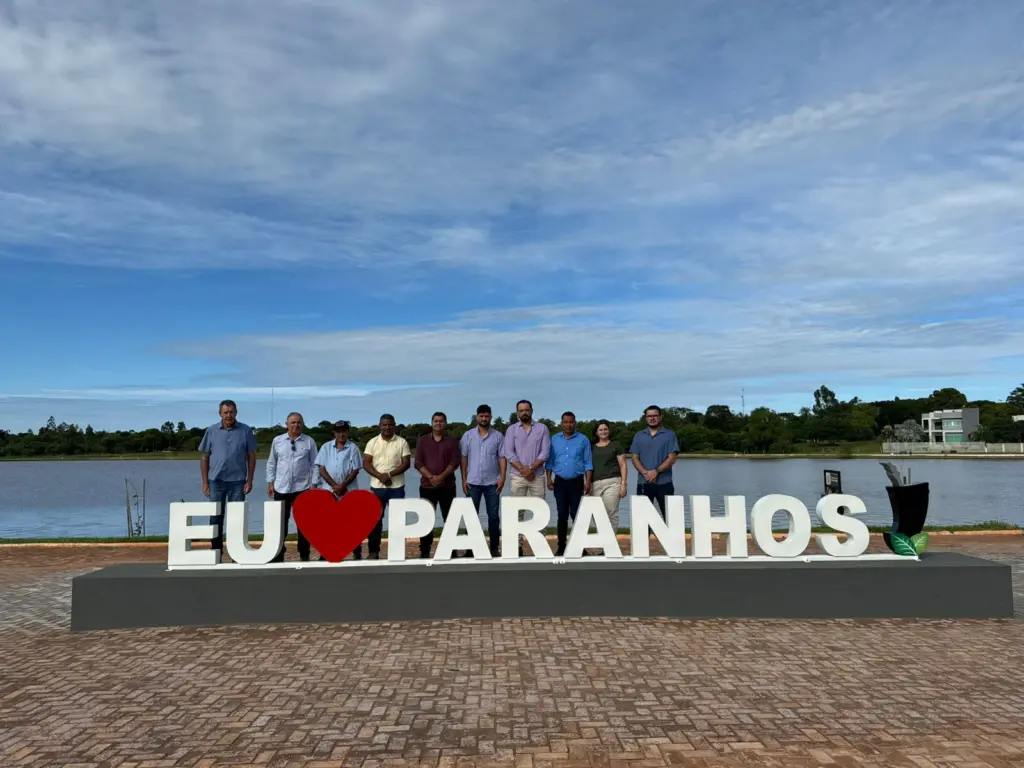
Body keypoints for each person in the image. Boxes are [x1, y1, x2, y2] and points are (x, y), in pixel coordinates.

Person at [198, 399, 257, 556]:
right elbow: (204, 457)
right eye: (225, 412)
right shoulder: (211, 431)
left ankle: (235, 552)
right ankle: (216, 550)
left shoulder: (245, 430)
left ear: (236, 413)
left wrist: (250, 480)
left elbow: (251, 456)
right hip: (215, 481)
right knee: (215, 517)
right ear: (220, 413)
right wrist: (205, 483)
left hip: (238, 481)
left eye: (231, 412)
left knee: (236, 518)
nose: (228, 415)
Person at [266, 412, 318, 562]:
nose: (296, 425)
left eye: (299, 422)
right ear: (287, 424)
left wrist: (313, 485)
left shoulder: (309, 442)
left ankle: (304, 553)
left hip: (302, 488)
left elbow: (315, 465)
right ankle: (278, 553)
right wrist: (270, 482)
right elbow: (272, 463)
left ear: (303, 424)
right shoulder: (277, 441)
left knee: (303, 524)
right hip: (281, 488)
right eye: (293, 422)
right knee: (280, 523)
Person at [362, 413, 411, 559]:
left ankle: (397, 552)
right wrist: (380, 476)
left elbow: (406, 463)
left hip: (397, 487)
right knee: (375, 521)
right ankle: (373, 552)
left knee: (397, 521)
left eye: (390, 424)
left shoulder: (402, 442)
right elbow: (366, 463)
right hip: (377, 488)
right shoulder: (372, 442)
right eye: (384, 425)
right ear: (380, 426)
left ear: (394, 425)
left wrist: (389, 475)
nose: (387, 427)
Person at [460, 404, 506, 556]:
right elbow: (464, 458)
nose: (484, 419)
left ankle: (494, 548)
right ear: (476, 417)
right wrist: (463, 479)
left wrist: (503, 478)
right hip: (472, 482)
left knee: (493, 517)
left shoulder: (498, 436)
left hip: (492, 483)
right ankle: (470, 548)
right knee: (471, 516)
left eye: (487, 416)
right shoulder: (468, 436)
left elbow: (502, 458)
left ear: (490, 417)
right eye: (481, 416)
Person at [314, 419, 363, 560]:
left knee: (352, 523)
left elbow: (355, 470)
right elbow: (321, 468)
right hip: (329, 490)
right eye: (338, 431)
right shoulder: (325, 447)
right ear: (334, 433)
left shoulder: (353, 448)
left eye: (344, 431)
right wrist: (334, 486)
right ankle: (326, 551)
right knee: (328, 523)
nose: (341, 434)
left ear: (347, 432)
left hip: (348, 490)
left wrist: (342, 486)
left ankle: (357, 552)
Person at [545, 411, 593, 556]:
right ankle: (561, 546)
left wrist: (588, 481)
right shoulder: (554, 439)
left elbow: (588, 462)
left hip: (577, 482)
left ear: (575, 423)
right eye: (565, 422)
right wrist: (548, 478)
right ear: (561, 423)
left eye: (571, 422)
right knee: (562, 515)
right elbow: (550, 461)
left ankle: (580, 547)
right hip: (559, 482)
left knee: (577, 515)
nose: (568, 425)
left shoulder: (583, 440)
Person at [414, 411, 461, 558]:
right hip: (427, 487)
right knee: (426, 520)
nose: (438, 423)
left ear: (445, 423)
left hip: (447, 487)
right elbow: (418, 463)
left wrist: (440, 477)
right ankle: (425, 549)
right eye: (436, 421)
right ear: (431, 423)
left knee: (449, 518)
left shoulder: (452, 441)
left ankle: (451, 548)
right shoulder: (423, 441)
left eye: (441, 421)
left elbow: (455, 462)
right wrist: (430, 477)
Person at [629, 405, 679, 517]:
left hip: (664, 483)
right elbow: (634, 457)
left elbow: (672, 457)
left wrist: (656, 471)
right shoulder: (639, 435)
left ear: (661, 417)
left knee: (670, 517)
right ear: (646, 418)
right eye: (649, 416)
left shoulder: (669, 435)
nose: (652, 418)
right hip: (643, 482)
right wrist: (645, 472)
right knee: (642, 520)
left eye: (655, 415)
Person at [504, 399, 551, 498]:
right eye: (521, 411)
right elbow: (509, 452)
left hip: (537, 476)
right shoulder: (511, 429)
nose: (524, 413)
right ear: (517, 413)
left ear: (532, 411)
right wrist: (523, 470)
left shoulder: (542, 428)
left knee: (540, 508)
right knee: (518, 511)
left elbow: (545, 452)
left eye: (527, 410)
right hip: (517, 476)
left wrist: (530, 468)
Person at [589, 420, 628, 531]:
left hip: (613, 482)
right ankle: (603, 540)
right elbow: (588, 467)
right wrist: (589, 484)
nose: (603, 431)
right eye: (600, 429)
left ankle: (610, 545)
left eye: (605, 429)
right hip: (595, 483)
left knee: (611, 512)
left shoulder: (616, 445)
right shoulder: (591, 448)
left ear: (609, 431)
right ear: (596, 432)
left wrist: (623, 484)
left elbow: (623, 465)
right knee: (596, 513)